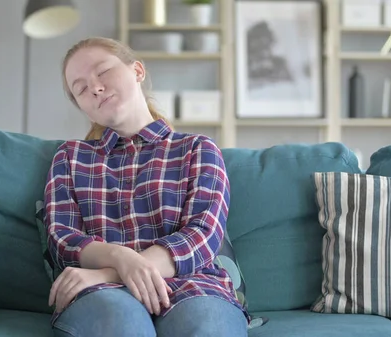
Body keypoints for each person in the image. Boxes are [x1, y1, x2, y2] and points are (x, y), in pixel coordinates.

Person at [43, 36, 250, 337]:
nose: (96, 88)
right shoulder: (70, 157)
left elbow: (202, 236)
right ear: (83, 107)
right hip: (101, 294)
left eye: (102, 72)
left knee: (208, 328)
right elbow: (62, 238)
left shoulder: (198, 149)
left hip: (194, 286)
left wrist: (114, 270)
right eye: (81, 89)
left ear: (137, 71)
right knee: (121, 325)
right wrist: (119, 258)